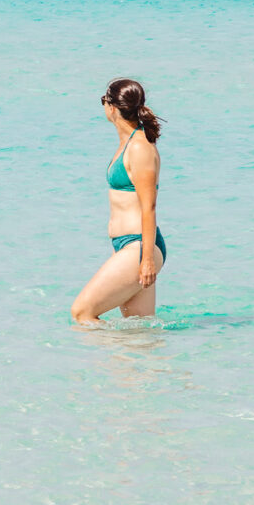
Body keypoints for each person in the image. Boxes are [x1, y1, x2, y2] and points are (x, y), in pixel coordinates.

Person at [71, 78, 166, 323]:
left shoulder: (139, 147)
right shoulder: (128, 143)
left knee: (82, 313)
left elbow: (149, 206)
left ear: (112, 107)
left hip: (139, 246)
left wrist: (146, 260)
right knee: (138, 333)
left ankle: (99, 361)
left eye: (104, 100)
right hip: (128, 245)